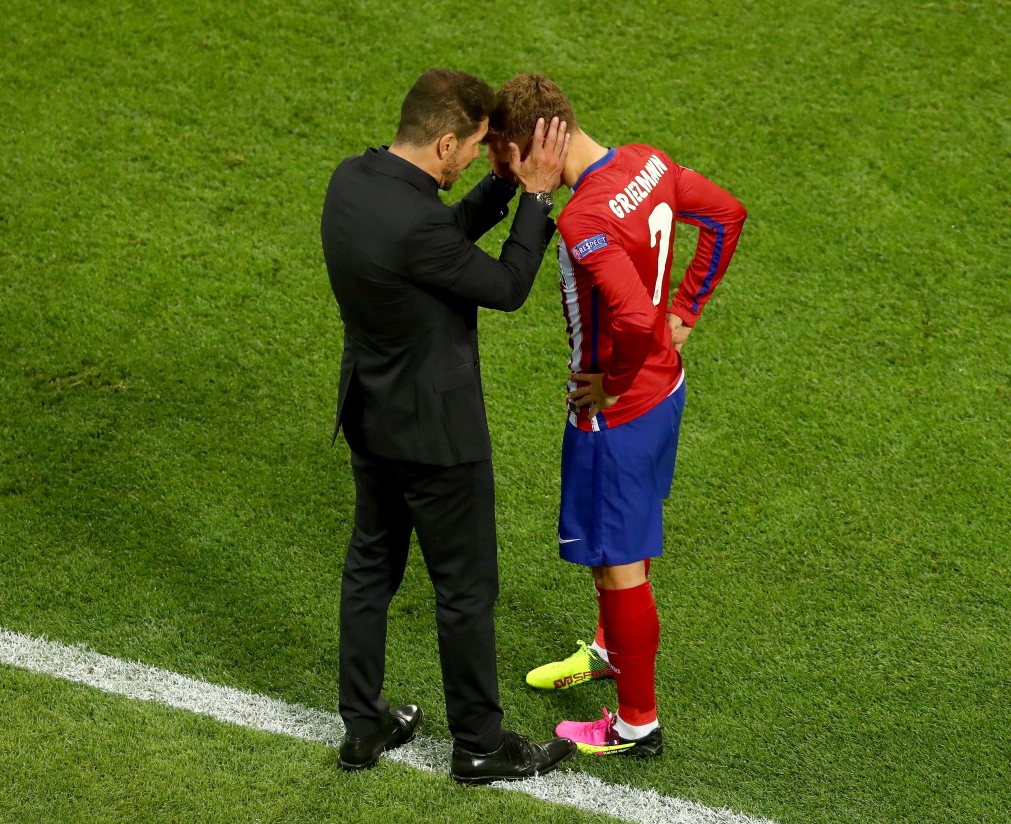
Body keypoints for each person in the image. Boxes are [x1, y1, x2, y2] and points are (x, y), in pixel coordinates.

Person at [320, 68, 576, 784]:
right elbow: (504, 286)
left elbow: (436, 249)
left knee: (371, 568)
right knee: (465, 589)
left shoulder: (353, 183)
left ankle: (363, 724)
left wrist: (498, 186)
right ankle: (479, 744)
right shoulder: (420, 223)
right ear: (442, 142)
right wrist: (537, 195)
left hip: (371, 416)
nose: (471, 160)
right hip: (435, 437)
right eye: (470, 151)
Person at [488, 73, 747, 757]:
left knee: (617, 564)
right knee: (619, 550)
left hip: (618, 418)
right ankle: (609, 651)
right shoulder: (647, 160)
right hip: (668, 391)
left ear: (533, 143)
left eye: (502, 158)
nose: (504, 174)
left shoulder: (583, 218)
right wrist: (686, 312)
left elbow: (632, 316)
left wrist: (613, 383)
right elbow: (726, 214)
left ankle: (637, 724)